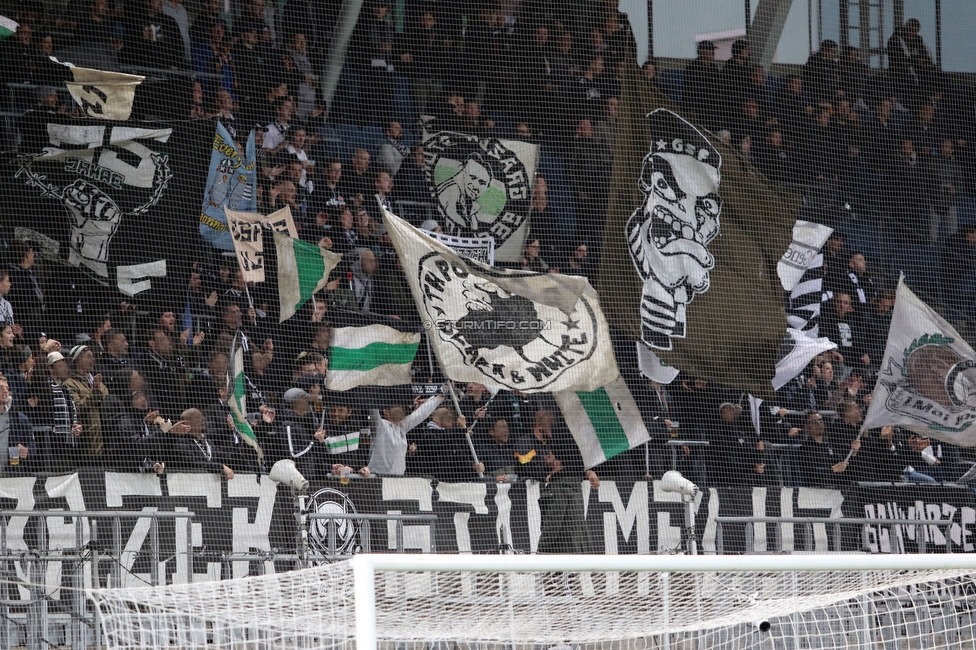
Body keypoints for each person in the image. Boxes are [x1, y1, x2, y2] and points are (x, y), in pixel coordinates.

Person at [515, 409, 599, 553]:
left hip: (563, 554)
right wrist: (546, 476)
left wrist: (587, 472)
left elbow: (552, 527)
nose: (552, 427)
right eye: (550, 424)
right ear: (539, 424)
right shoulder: (525, 442)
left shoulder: (554, 447)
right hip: (575, 553)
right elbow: (524, 467)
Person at [366, 393, 444, 476]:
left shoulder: (402, 426)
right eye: (397, 406)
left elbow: (421, 414)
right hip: (378, 477)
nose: (401, 409)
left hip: (398, 480)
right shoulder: (380, 426)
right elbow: (373, 409)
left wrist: (438, 398)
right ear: (386, 411)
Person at [63, 344, 109, 465]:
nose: (92, 360)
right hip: (86, 444)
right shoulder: (70, 383)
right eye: (88, 356)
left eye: (93, 357)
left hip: (106, 442)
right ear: (77, 360)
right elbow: (76, 407)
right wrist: (95, 392)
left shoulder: (98, 382)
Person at [796, 410, 859, 487]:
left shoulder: (832, 444)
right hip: (817, 491)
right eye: (814, 422)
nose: (819, 424)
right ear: (807, 427)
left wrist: (853, 453)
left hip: (836, 489)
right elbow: (811, 473)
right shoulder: (805, 449)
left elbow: (845, 466)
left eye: (820, 420)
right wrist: (833, 469)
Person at [0, 374, 36, 474]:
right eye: (0, 388)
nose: (5, 391)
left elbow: (32, 446)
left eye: (7, 388)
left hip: (11, 477)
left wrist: (26, 450)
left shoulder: (20, 419)